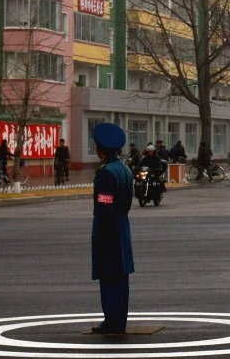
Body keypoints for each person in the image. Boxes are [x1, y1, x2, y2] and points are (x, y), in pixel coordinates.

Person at [90, 123, 134, 334]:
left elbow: (104, 204)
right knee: (121, 278)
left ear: (101, 150)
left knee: (109, 277)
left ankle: (112, 321)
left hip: (109, 230)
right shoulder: (124, 169)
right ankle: (118, 320)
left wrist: (101, 235)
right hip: (122, 226)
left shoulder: (107, 173)